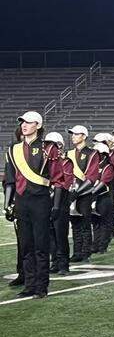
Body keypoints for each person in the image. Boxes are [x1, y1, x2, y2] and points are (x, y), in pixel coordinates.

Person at [4, 112, 63, 298]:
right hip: (22, 201)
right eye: (22, 122)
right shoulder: (14, 149)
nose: (24, 125)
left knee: (41, 245)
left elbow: (59, 180)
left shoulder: (48, 148)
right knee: (26, 245)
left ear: (37, 125)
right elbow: (10, 179)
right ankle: (29, 285)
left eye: (28, 122)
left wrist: (55, 205)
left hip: (41, 200)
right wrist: (8, 204)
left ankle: (41, 287)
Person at [66, 125, 100, 263]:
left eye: (76, 134)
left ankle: (86, 251)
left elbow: (91, 176)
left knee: (85, 224)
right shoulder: (68, 154)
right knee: (74, 224)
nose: (73, 136)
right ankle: (77, 251)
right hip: (70, 192)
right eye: (72, 134)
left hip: (84, 193)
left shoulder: (93, 153)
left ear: (84, 136)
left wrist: (77, 192)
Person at [43, 132, 74, 275]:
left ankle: (63, 264)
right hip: (46, 202)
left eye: (51, 144)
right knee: (49, 235)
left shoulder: (66, 162)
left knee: (60, 235)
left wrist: (55, 204)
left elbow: (64, 184)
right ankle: (54, 262)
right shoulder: (43, 163)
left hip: (60, 203)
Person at [90, 142, 114, 254]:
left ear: (103, 155)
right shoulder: (93, 166)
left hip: (104, 198)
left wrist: (90, 192)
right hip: (94, 198)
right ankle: (95, 245)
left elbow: (103, 182)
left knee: (105, 223)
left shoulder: (108, 167)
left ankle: (102, 246)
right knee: (95, 223)